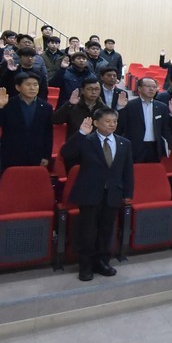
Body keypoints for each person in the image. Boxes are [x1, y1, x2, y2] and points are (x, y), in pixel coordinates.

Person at [61, 108, 133, 282]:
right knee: (88, 231)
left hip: (113, 194)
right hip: (90, 193)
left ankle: (102, 262)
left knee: (106, 230)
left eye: (114, 121)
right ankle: (85, 265)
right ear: (96, 123)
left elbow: (127, 171)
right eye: (107, 121)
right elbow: (66, 154)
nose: (112, 124)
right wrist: (80, 134)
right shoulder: (87, 140)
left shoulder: (124, 143)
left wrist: (128, 192)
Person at [0, 77, 53, 170]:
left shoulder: (46, 107)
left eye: (35, 85)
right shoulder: (8, 103)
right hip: (10, 154)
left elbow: (48, 133)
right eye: (28, 84)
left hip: (35, 154)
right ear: (18, 87)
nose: (32, 88)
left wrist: (46, 156)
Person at [116, 77, 172, 163]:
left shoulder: (162, 107)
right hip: (135, 147)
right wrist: (120, 108)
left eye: (154, 87)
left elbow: (165, 129)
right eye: (148, 86)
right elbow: (121, 126)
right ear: (139, 88)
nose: (151, 89)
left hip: (154, 148)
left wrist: (169, 146)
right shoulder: (130, 106)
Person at [52, 77, 108, 141]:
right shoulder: (73, 106)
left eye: (97, 89)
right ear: (82, 90)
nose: (94, 92)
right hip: (75, 144)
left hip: (97, 145)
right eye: (90, 89)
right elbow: (56, 120)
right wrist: (70, 104)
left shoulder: (104, 109)